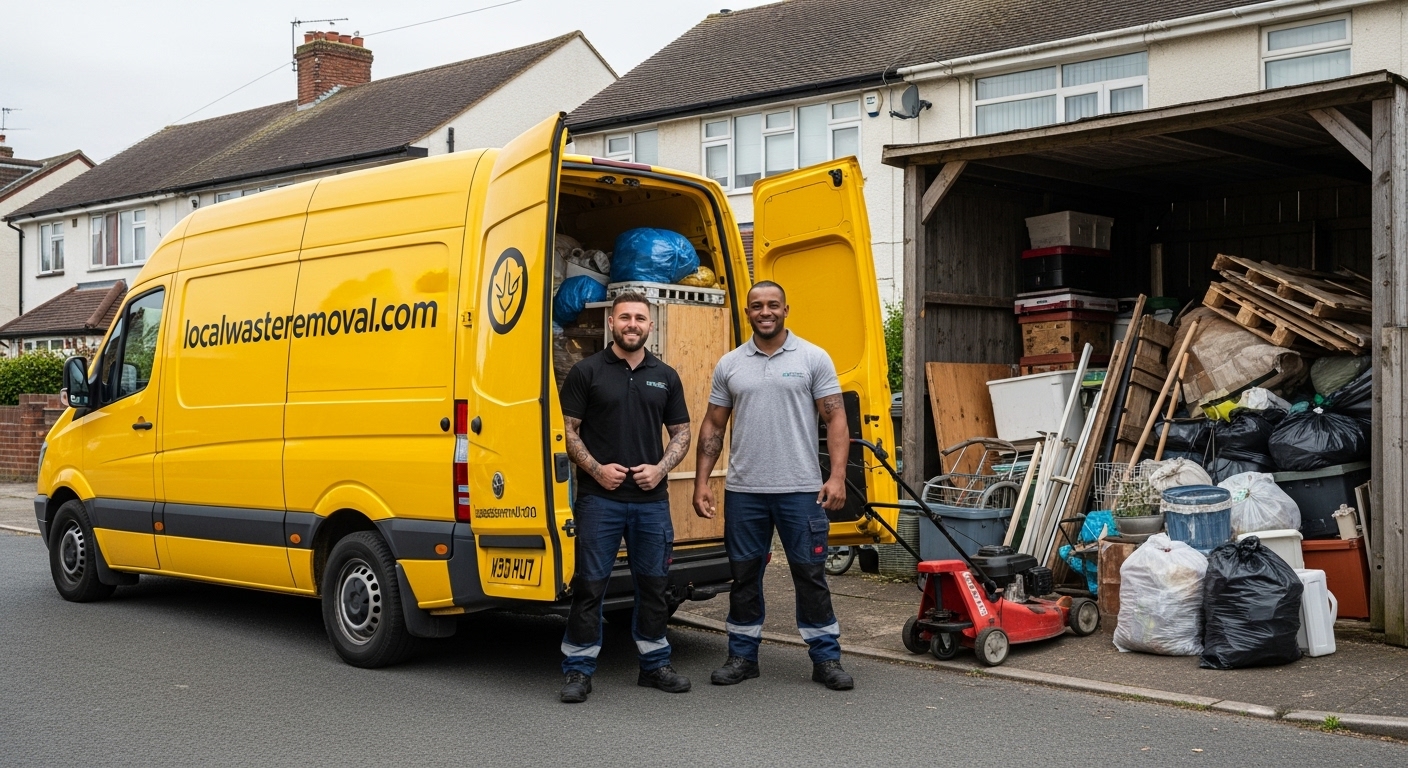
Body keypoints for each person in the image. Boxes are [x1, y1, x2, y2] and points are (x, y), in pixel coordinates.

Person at [693, 280, 855, 691]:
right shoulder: (730, 364)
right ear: (747, 313)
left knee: (809, 572)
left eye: (773, 305)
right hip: (745, 490)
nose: (765, 311)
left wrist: (837, 476)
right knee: (745, 576)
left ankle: (826, 659)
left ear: (786, 309)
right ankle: (743, 657)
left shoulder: (812, 357)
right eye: (756, 306)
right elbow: (714, 424)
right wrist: (701, 482)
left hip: (801, 489)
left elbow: (836, 417)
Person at [557, 291, 693, 703]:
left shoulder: (665, 375)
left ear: (650, 326)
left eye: (640, 318)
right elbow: (567, 430)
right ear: (611, 323)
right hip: (600, 501)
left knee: (653, 586)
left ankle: (654, 666)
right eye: (624, 317)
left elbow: (682, 432)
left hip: (651, 502)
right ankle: (578, 671)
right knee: (590, 586)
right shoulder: (587, 371)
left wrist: (660, 469)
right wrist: (597, 469)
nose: (632, 324)